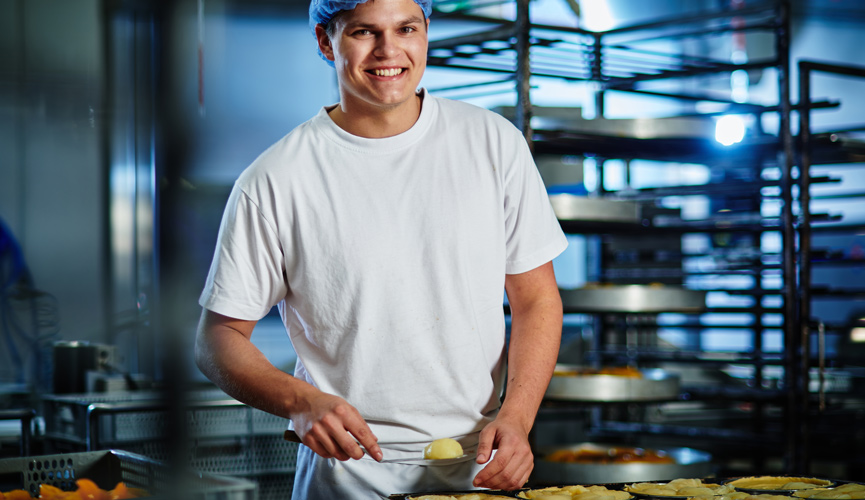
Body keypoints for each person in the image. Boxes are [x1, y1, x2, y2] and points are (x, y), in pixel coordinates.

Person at [194, 0, 568, 497]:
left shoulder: (493, 143)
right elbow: (216, 340)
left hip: (480, 466)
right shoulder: (277, 179)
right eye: (365, 32)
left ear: (426, 32)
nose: (389, 50)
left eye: (406, 28)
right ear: (327, 42)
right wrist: (301, 402)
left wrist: (518, 418)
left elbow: (536, 299)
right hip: (348, 473)